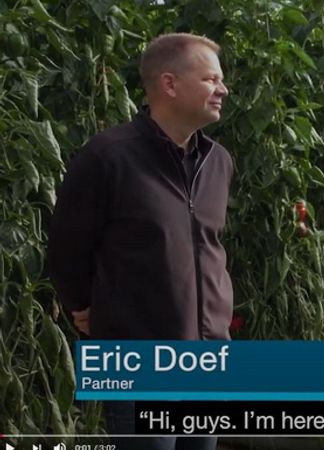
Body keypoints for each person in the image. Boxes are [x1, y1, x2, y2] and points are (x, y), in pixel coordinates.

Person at [48, 33, 233, 450]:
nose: (222, 90)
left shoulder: (219, 162)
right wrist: (85, 307)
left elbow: (210, 247)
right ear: (169, 84)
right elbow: (66, 245)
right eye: (210, 79)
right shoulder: (108, 156)